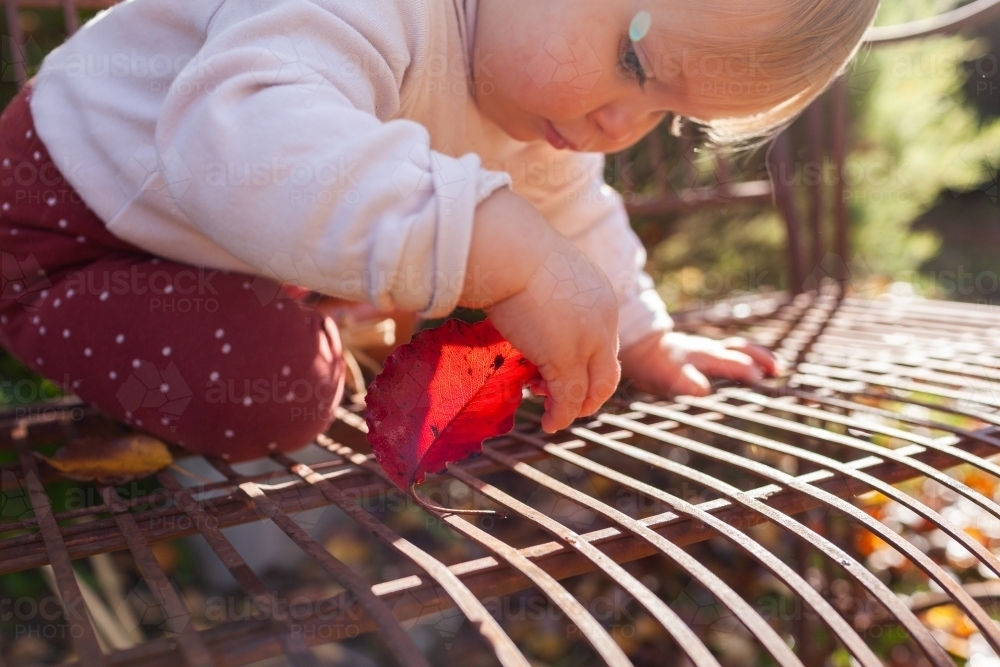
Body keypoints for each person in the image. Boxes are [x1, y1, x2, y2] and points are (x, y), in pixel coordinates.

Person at [0, 0, 880, 460]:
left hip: (189, 253)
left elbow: (574, 218)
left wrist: (642, 333)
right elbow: (234, 140)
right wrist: (496, 239)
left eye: (666, 111)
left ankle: (300, 312)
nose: (622, 124)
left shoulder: (543, 109)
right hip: (60, 228)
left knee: (332, 357)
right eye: (636, 62)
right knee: (283, 388)